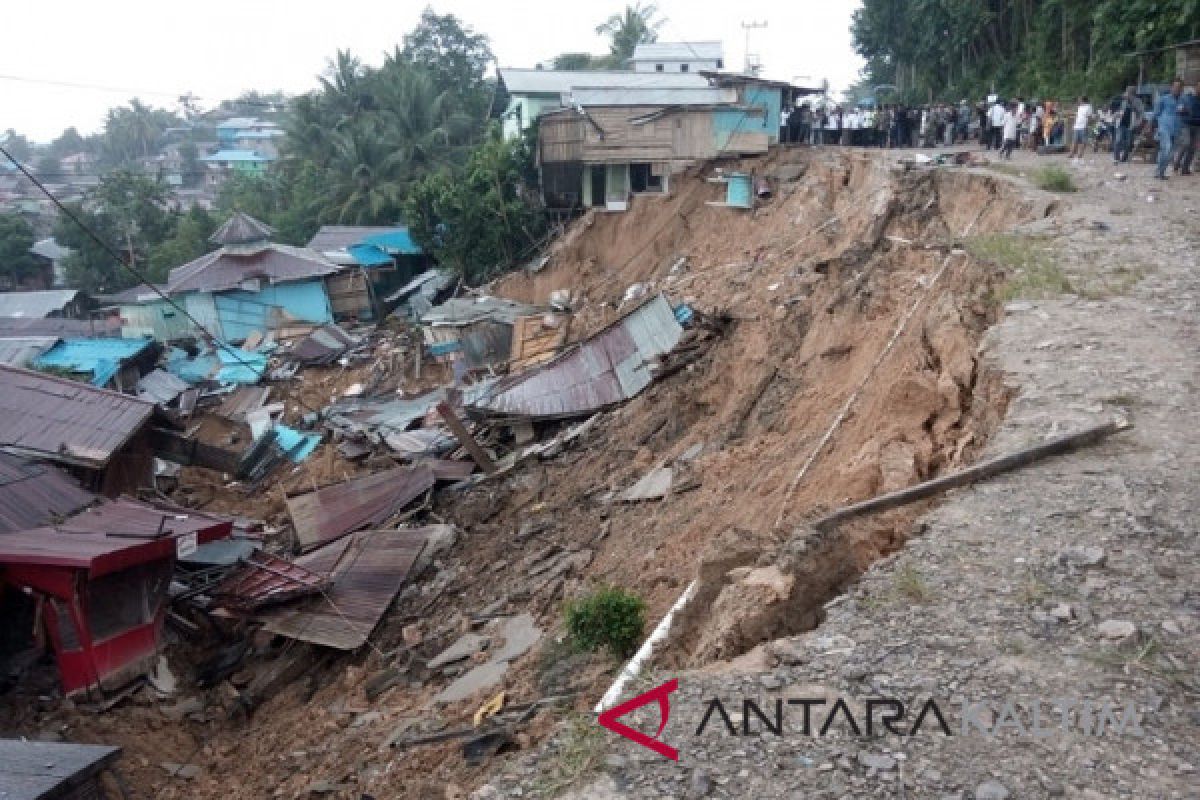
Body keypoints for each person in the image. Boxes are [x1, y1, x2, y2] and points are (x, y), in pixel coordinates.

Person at [1152, 78, 1185, 180]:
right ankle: (1159, 172)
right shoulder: (1163, 99)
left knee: (1170, 153)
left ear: (1181, 89)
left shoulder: (1183, 100)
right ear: (1171, 87)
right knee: (1166, 148)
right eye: (1175, 87)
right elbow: (1156, 113)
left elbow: (1188, 113)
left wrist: (1184, 111)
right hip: (1164, 127)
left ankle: (1160, 172)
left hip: (1176, 129)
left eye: (1179, 87)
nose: (1177, 89)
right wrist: (1151, 126)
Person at [1172, 81, 1199, 175]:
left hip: (1197, 126)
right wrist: (1183, 111)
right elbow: (1179, 109)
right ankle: (1177, 163)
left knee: (1192, 148)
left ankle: (1185, 168)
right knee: (1186, 143)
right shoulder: (1188, 98)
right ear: (1196, 87)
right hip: (1186, 124)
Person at [1112, 87, 1143, 164]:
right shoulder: (1122, 100)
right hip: (1120, 123)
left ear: (1132, 93)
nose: (1127, 94)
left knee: (1128, 142)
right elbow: (1115, 109)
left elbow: (1140, 113)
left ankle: (1124, 158)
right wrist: (1116, 115)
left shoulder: (1137, 101)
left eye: (1129, 92)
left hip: (1130, 125)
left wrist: (1138, 123)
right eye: (1127, 92)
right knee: (1118, 140)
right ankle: (1116, 158)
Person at [1069, 96, 1093, 161]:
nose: (1078, 101)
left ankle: (1080, 154)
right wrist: (1074, 124)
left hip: (1083, 126)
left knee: (1083, 141)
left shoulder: (1089, 107)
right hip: (1077, 126)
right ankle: (1072, 153)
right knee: (1074, 140)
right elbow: (1077, 116)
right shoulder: (1080, 107)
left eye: (1080, 100)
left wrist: (1087, 125)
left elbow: (1089, 117)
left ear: (1083, 101)